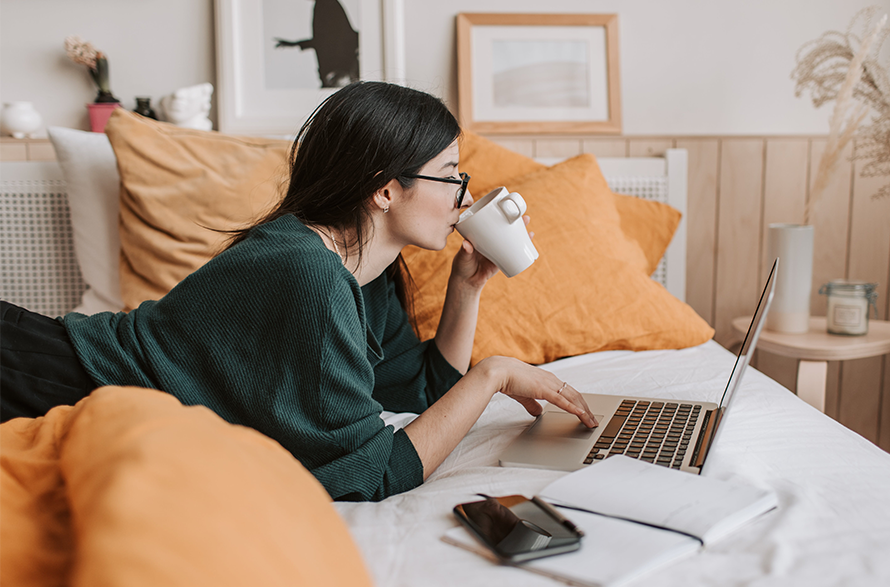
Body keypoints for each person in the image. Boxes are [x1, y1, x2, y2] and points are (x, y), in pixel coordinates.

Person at [1, 81, 597, 501]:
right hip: (50, 378)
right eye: (449, 176)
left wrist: (466, 290)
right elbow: (375, 475)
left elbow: (417, 394)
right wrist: (491, 374)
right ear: (384, 190)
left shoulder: (367, 269)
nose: (464, 196)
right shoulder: (307, 273)